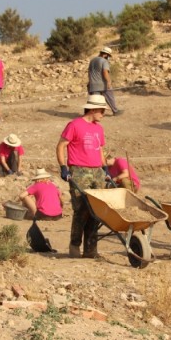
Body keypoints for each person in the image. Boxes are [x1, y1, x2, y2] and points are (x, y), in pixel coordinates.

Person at [56, 95, 110, 258]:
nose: (103, 114)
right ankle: (75, 245)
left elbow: (100, 149)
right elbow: (61, 145)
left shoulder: (99, 129)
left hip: (97, 172)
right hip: (79, 170)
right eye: (102, 110)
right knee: (81, 210)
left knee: (97, 211)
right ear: (93, 109)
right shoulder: (74, 125)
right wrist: (63, 167)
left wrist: (105, 168)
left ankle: (90, 249)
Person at [87, 47, 122, 116]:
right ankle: (115, 111)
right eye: (108, 56)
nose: (108, 58)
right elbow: (105, 72)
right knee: (110, 97)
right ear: (105, 54)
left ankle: (91, 114)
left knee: (94, 101)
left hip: (93, 84)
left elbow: (89, 72)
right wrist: (108, 81)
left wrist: (90, 81)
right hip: (102, 84)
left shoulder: (92, 60)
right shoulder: (104, 61)